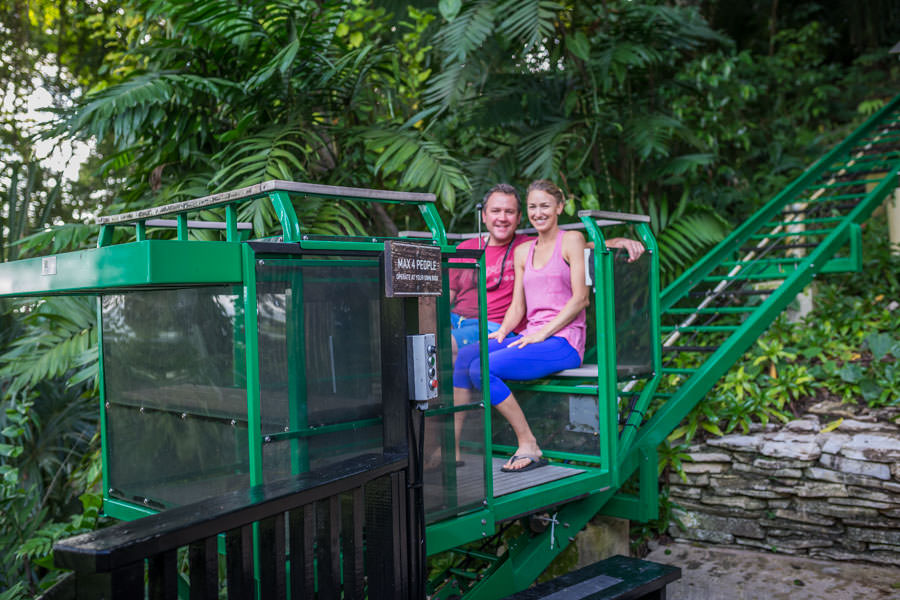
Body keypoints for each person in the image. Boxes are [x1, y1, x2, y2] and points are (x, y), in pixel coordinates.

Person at [453, 180, 594, 472]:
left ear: (559, 207)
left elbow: (581, 299)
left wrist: (543, 332)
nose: (538, 212)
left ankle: (528, 442)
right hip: (531, 336)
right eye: (532, 207)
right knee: (468, 356)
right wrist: (502, 332)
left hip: (563, 341)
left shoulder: (571, 241)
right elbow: (518, 306)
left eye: (545, 205)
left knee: (482, 368)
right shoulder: (523, 251)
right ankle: (453, 445)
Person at [448, 184, 532, 354]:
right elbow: (447, 296)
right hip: (455, 320)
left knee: (444, 346)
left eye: (509, 212)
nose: (502, 217)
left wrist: (596, 246)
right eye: (495, 211)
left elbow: (566, 245)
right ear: (484, 216)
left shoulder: (528, 246)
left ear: (519, 217)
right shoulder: (466, 248)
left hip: (494, 325)